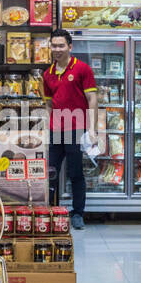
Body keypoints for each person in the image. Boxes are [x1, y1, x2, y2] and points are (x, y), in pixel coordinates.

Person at [42, 29, 97, 230]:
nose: (57, 49)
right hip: (56, 131)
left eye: (61, 45)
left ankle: (78, 213)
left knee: (75, 173)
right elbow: (49, 104)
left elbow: (92, 99)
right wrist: (47, 126)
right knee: (51, 172)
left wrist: (92, 129)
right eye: (53, 45)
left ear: (70, 47)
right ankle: (48, 211)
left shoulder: (82, 69)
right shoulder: (47, 74)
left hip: (76, 128)